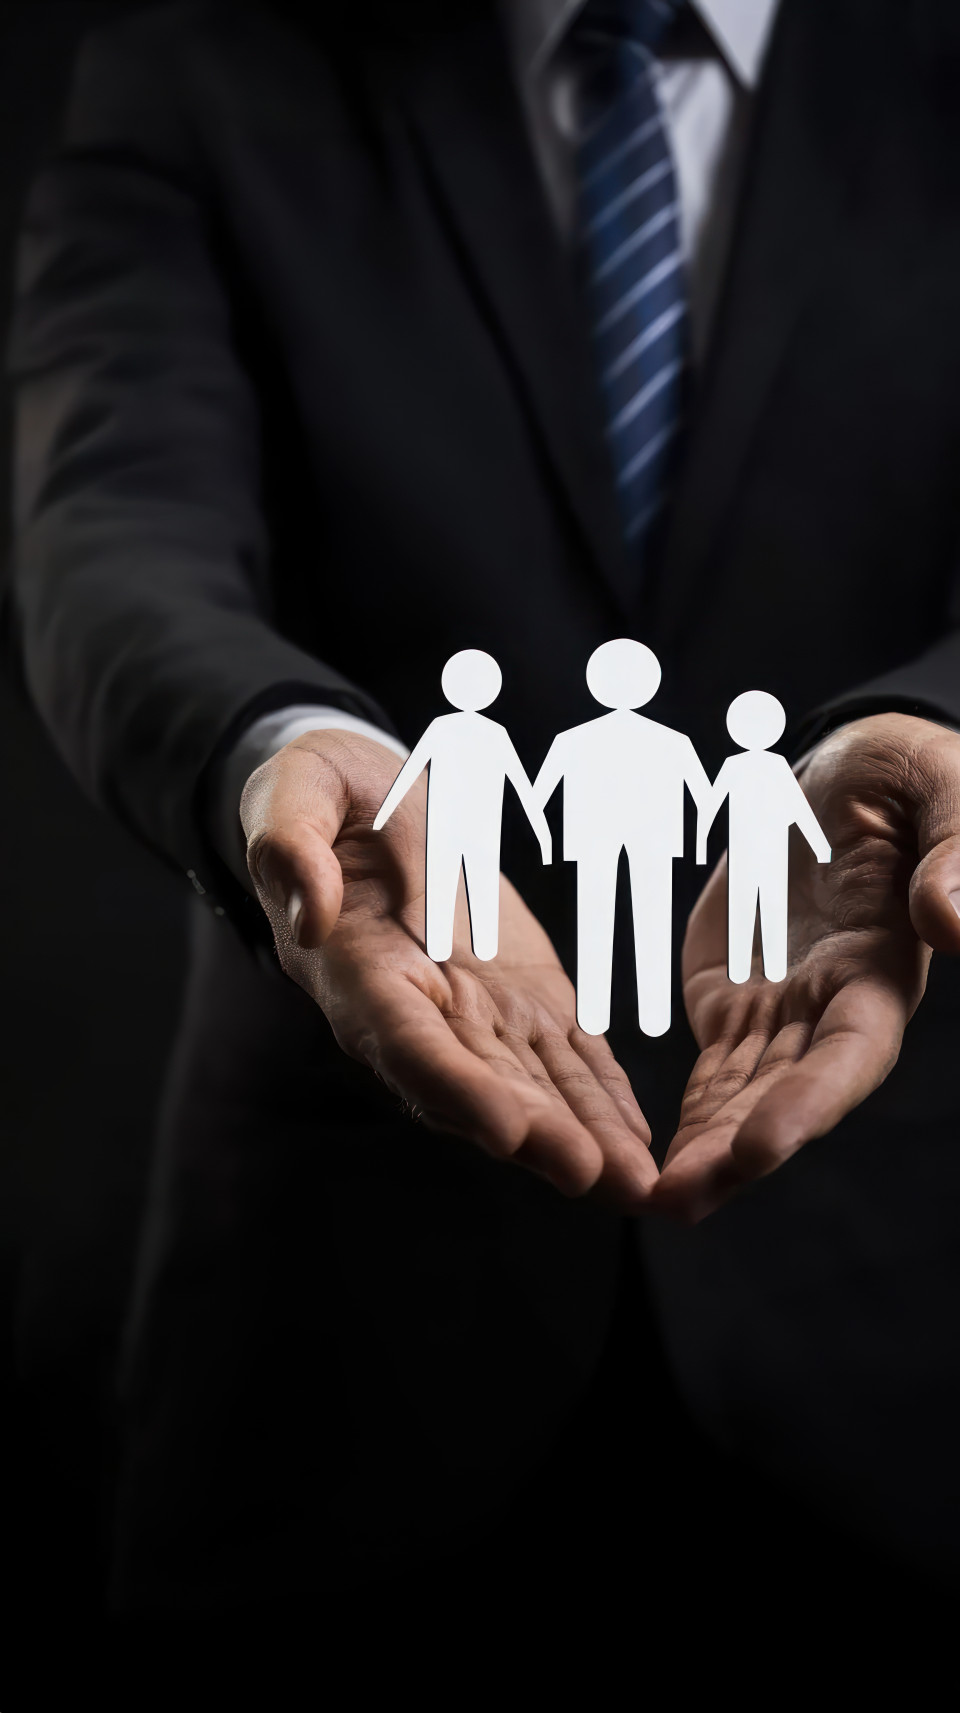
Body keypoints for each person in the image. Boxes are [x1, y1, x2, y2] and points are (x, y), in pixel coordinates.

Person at [11, 0, 960, 1606]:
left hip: (903, 1300)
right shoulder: (207, 62)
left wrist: (942, 725)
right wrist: (284, 742)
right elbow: (109, 518)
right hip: (340, 1320)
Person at [534, 637, 711, 1035]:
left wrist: (547, 841)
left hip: (594, 838)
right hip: (653, 841)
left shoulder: (572, 740)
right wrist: (698, 844)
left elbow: (536, 797)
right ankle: (652, 1014)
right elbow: (707, 798)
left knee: (595, 919)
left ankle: (596, 1011)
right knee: (651, 921)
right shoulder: (673, 741)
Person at [373, 649, 551, 961]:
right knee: (467, 879)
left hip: (460, 822)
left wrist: (383, 814)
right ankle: (468, 944)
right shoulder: (483, 732)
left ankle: (456, 943)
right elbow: (522, 786)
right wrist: (542, 830)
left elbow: (410, 771)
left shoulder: (459, 729)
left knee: (452, 879)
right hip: (463, 821)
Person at [696, 689, 831, 982]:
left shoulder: (760, 766)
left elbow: (798, 808)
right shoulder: (753, 766)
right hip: (755, 847)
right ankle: (752, 967)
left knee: (761, 904)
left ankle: (761, 967)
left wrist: (820, 845)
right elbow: (710, 805)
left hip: (765, 847)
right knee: (757, 904)